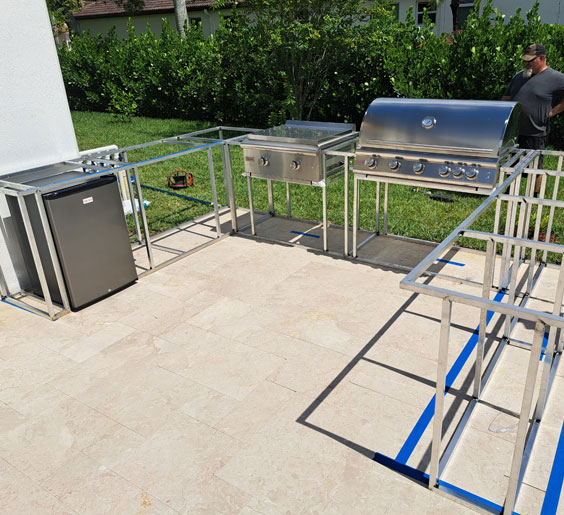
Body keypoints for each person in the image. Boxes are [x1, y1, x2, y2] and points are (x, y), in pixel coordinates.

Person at [502, 43, 564, 191]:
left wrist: (553, 112)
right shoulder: (519, 76)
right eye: (525, 60)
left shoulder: (556, 78)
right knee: (511, 164)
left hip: (536, 132)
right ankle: (510, 193)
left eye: (530, 60)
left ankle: (531, 197)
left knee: (535, 168)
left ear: (542, 58)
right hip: (515, 132)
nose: (526, 63)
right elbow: (506, 98)